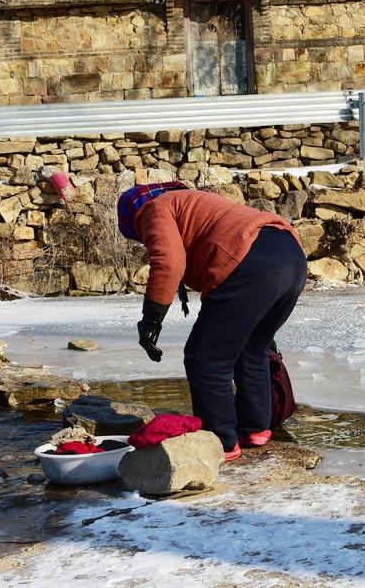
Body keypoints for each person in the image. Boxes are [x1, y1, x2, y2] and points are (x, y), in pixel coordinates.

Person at [117, 182, 308, 461]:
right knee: (251, 350)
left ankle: (221, 443)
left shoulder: (154, 208)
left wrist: (151, 319)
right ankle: (255, 429)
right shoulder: (195, 202)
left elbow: (168, 263)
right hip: (290, 256)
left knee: (205, 358)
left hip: (251, 261)